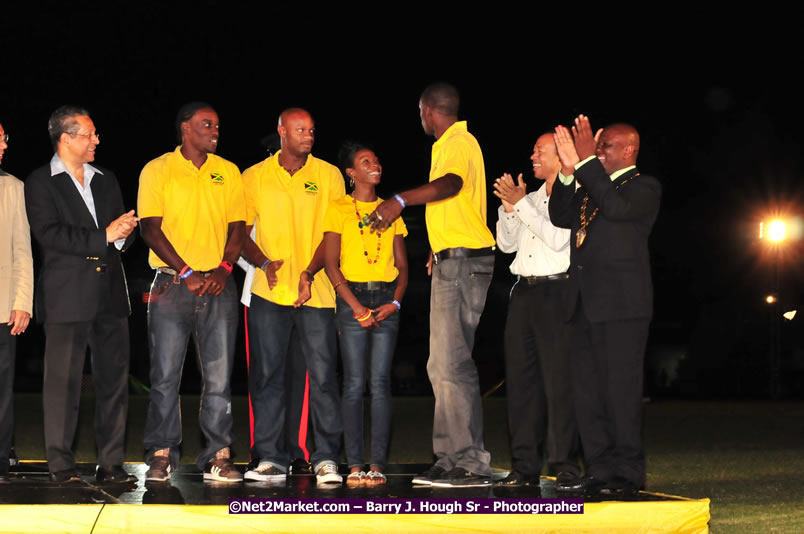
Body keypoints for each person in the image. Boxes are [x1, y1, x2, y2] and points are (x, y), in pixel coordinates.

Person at [368, 82, 496, 488]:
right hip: (452, 259)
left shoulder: (457, 141)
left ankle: (470, 462)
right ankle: (448, 458)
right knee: (440, 365)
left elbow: (451, 185)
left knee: (453, 363)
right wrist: (438, 247)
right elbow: (457, 204)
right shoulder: (448, 145)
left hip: (464, 264)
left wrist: (400, 200)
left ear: (427, 111)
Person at [25, 106, 138, 484]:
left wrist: (122, 234)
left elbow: (120, 232)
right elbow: (50, 235)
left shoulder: (106, 178)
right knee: (63, 385)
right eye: (90, 135)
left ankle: (111, 463)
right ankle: (61, 466)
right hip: (66, 298)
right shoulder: (40, 182)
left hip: (110, 296)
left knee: (114, 383)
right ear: (66, 138)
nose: (96, 141)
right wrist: (105, 236)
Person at [549, 115, 661, 496]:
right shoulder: (591, 187)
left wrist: (585, 162)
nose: (597, 151)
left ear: (629, 150)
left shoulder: (643, 187)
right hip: (583, 304)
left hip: (622, 308)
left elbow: (616, 209)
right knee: (588, 394)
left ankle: (627, 474)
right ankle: (599, 468)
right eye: (596, 147)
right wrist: (568, 173)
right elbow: (560, 215)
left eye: (604, 146)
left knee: (620, 392)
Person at [138, 102, 246, 483]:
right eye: (207, 125)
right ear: (185, 128)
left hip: (218, 286)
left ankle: (218, 455)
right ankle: (161, 454)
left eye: (217, 126)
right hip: (171, 285)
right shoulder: (158, 169)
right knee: (165, 375)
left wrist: (225, 268)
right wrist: (185, 271)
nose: (215, 131)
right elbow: (150, 229)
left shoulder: (228, 171)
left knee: (218, 378)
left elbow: (238, 227)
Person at [240, 108, 345, 484]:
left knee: (323, 378)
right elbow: (240, 233)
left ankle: (326, 458)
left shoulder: (329, 175)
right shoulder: (253, 176)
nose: (308, 136)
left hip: (317, 293)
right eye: (300, 130)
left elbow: (333, 235)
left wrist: (309, 272)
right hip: (268, 293)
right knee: (267, 376)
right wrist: (264, 262)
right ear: (281, 131)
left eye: (312, 130)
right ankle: (271, 457)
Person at [493, 133, 580, 487]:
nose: (532, 156)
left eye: (539, 150)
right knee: (521, 383)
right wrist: (509, 207)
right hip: (524, 294)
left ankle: (566, 467)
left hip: (558, 291)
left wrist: (522, 206)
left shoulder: (575, 194)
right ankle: (524, 466)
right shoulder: (527, 198)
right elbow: (505, 244)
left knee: (559, 383)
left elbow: (559, 239)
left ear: (560, 156)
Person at [323, 142, 408, 487]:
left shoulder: (391, 210)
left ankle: (377, 465)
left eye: (376, 159)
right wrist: (356, 307)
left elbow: (403, 268)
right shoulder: (338, 208)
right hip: (351, 298)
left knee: (380, 383)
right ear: (351, 172)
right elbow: (331, 264)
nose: (375, 164)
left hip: (386, 298)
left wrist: (395, 303)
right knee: (355, 383)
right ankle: (355, 465)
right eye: (365, 161)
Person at [0, 123, 33, 481]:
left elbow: (22, 250)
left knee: (2, 389)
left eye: (4, 138)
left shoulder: (13, 187)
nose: (4, 145)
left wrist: (22, 300)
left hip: (3, 307)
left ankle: (0, 456)